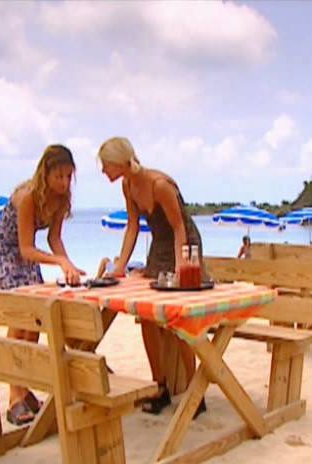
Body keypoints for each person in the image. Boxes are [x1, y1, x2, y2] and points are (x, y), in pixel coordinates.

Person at [97, 136, 206, 417]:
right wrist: (120, 265)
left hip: (184, 245)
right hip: (159, 246)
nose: (103, 170)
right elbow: (133, 227)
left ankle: (195, 391)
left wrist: (182, 268)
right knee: (147, 316)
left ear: (120, 162)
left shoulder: (160, 185)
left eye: (106, 164)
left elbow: (179, 228)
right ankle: (160, 386)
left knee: (178, 318)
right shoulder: (127, 185)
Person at [0, 144, 85, 426]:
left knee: (35, 321)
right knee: (20, 320)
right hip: (6, 252)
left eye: (69, 176)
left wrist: (69, 264)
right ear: (46, 173)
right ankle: (14, 396)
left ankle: (24, 387)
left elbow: (54, 238)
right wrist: (59, 262)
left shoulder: (62, 199)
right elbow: (26, 248)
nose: (64, 183)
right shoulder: (28, 196)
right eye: (59, 176)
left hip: (27, 256)